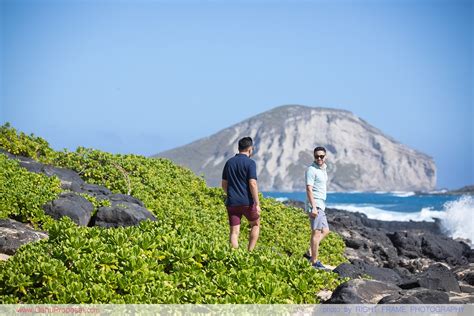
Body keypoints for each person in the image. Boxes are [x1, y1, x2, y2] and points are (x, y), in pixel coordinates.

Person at [221, 137, 261, 251]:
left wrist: (230, 194)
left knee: (234, 232)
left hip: (232, 202)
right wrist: (257, 203)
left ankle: (236, 256)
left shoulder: (229, 162)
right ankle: (249, 252)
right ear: (250, 149)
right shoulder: (250, 163)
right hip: (247, 202)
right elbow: (252, 183)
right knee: (255, 224)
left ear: (238, 148)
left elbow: (224, 184)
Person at [305, 146, 330, 269]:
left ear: (325, 157)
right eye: (317, 156)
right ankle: (314, 262)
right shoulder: (311, 170)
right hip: (316, 205)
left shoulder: (323, 169)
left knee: (325, 231)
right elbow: (309, 189)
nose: (319, 158)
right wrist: (313, 207)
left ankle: (310, 251)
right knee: (316, 233)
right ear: (314, 156)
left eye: (321, 156)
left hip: (321, 205)